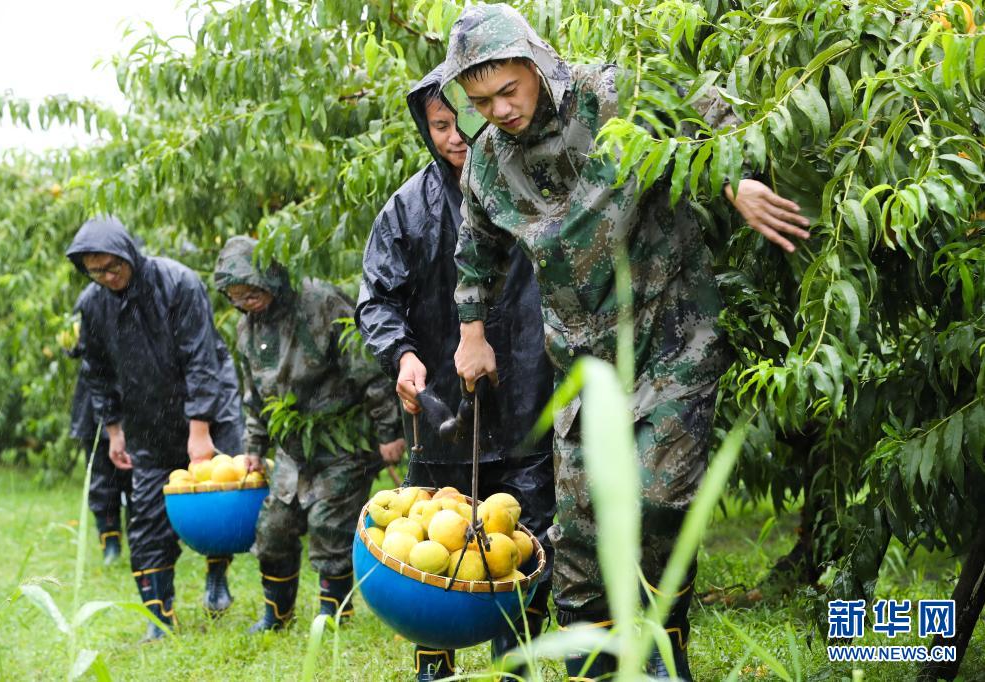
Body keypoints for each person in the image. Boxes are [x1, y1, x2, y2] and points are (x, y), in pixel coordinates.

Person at [440, 5, 811, 679]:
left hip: (673, 335)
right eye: (479, 101)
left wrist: (739, 182)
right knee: (579, 525)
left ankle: (664, 650)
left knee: (656, 497)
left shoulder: (615, 94)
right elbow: (476, 247)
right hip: (583, 364)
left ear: (535, 63)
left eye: (506, 92)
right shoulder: (489, 167)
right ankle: (593, 663)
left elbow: (702, 112)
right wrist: (471, 333)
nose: (496, 110)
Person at [356, 64, 555, 682]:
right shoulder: (407, 209)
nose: (454, 137)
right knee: (432, 543)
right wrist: (404, 356)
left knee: (522, 538)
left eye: (460, 121)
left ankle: (516, 658)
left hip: (528, 393)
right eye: (439, 125)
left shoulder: (533, 185)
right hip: (441, 406)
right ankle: (434, 664)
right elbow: (376, 300)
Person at [65, 216, 246, 641]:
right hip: (146, 422)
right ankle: (159, 615)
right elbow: (97, 370)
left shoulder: (177, 283)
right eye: (96, 271)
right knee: (145, 518)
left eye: (113, 267)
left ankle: (216, 578)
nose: (107, 278)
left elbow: (202, 359)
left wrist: (199, 431)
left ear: (129, 253)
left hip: (205, 412)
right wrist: (114, 429)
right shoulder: (93, 303)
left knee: (214, 504)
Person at [213, 236, 404, 634]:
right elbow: (254, 394)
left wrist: (389, 430)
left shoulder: (318, 302)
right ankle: (276, 615)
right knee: (273, 528)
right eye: (237, 298)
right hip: (292, 447)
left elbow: (365, 368)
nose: (247, 303)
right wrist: (253, 447)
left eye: (252, 293)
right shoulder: (247, 329)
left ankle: (332, 617)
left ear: (271, 278)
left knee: (329, 524)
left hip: (345, 436)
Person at [64, 284, 132, 565]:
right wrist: (71, 343)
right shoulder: (90, 300)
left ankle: (142, 541)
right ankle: (110, 543)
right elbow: (81, 348)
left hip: (131, 395)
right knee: (102, 480)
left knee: (136, 477)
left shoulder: (140, 300)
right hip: (95, 400)